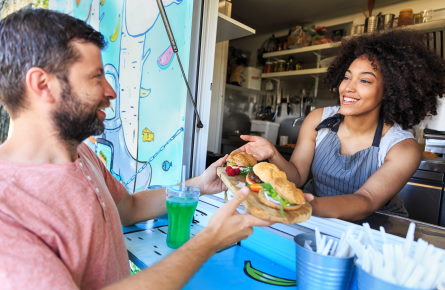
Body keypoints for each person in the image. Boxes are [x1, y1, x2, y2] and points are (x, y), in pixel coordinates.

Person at [0, 8, 271, 289]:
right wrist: (208, 240)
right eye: (96, 77)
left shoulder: (81, 155)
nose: (111, 91)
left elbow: (128, 207)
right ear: (42, 84)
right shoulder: (7, 208)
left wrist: (197, 185)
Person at [238, 29, 445, 221]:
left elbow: (366, 200)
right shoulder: (318, 120)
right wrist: (272, 153)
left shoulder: (402, 147)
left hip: (375, 228)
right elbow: (298, 177)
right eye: (347, 77)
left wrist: (299, 207)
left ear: (391, 91)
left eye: (365, 81)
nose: (347, 88)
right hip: (313, 217)